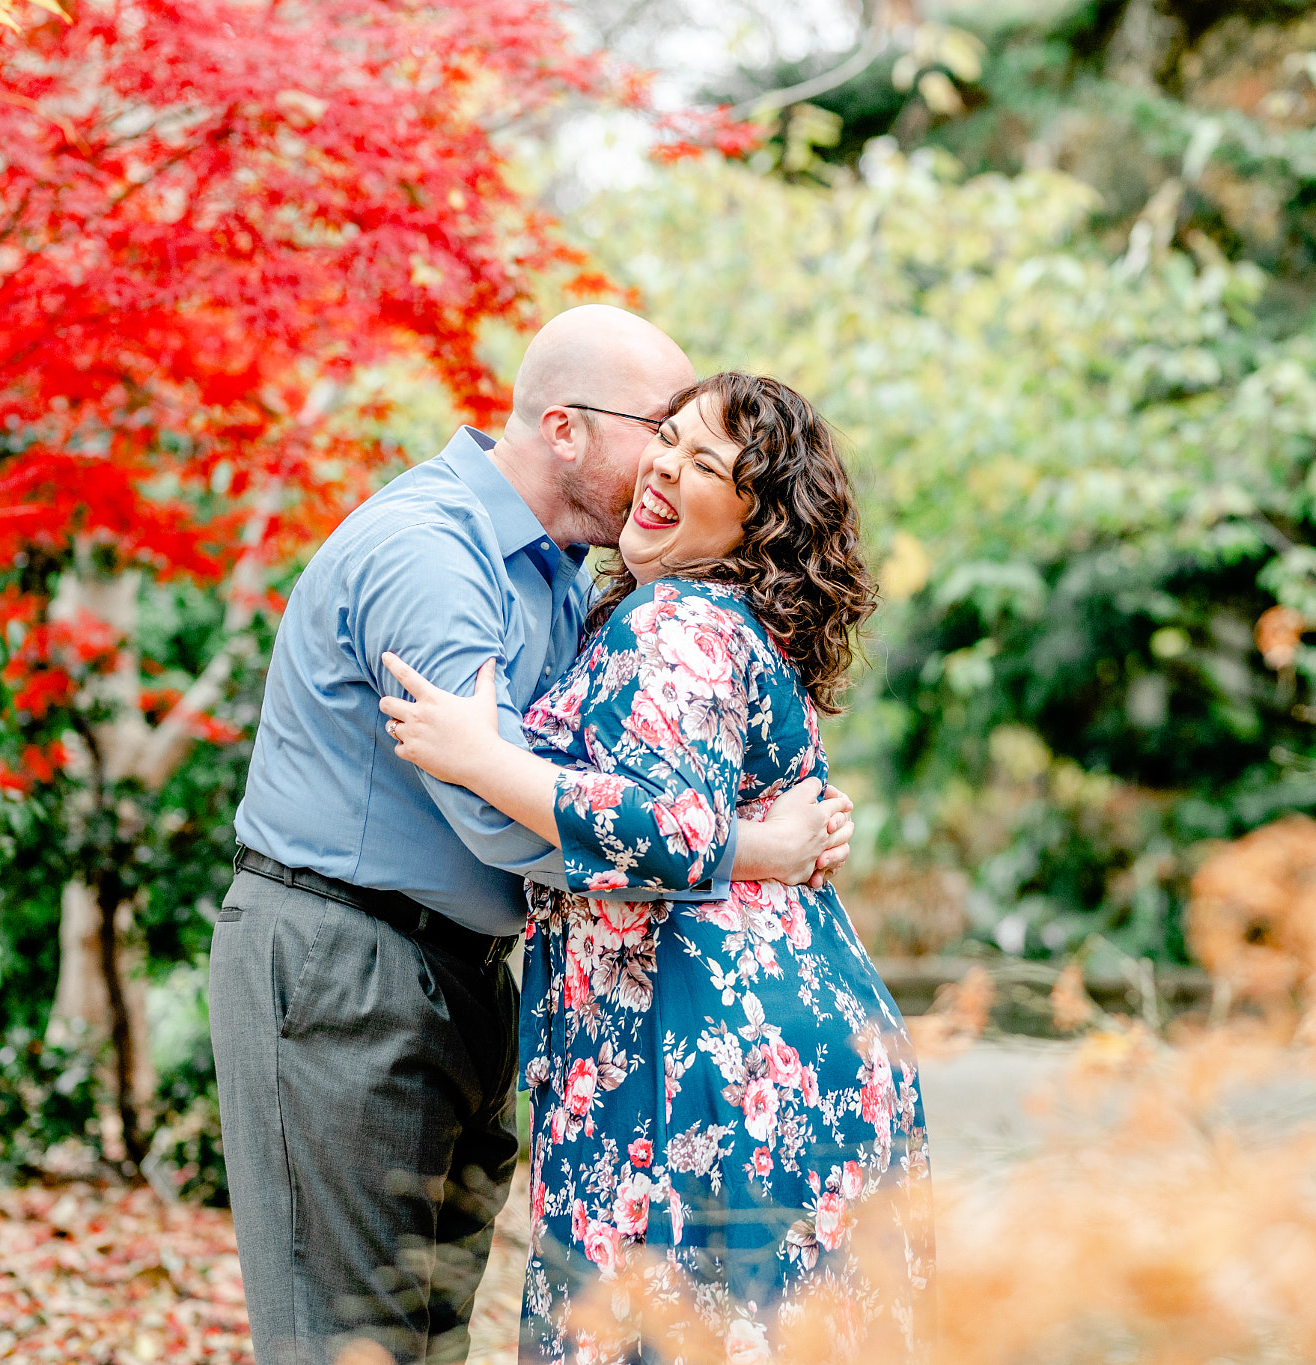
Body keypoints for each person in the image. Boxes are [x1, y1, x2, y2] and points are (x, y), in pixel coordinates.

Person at [209, 309, 856, 1365]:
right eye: (659, 427)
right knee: (345, 1339)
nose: (665, 460)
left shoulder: (574, 580)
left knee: (423, 1337)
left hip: (463, 974)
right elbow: (495, 816)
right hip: (345, 967)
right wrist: (747, 853)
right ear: (564, 429)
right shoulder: (431, 555)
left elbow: (623, 773)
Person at [378, 372, 933, 1364]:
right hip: (770, 1043)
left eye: (706, 464)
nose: (666, 467)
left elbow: (660, 832)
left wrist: (479, 760)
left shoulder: (674, 620)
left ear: (756, 520)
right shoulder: (735, 625)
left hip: (697, 1058)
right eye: (666, 439)